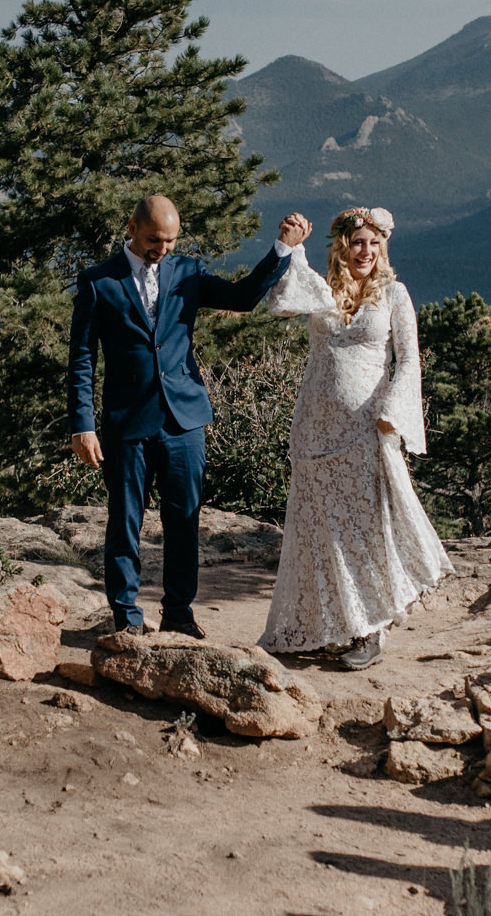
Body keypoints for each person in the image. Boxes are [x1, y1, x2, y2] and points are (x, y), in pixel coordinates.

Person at [67, 194, 304, 637]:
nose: (164, 248)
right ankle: (127, 618)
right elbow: (82, 358)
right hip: (127, 424)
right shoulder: (99, 282)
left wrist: (281, 251)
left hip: (185, 420)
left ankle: (179, 614)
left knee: (184, 521)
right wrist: (83, 424)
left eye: (171, 240)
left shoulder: (189, 272)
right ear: (131, 228)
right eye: (156, 239)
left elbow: (241, 297)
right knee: (124, 524)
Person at [258, 206, 451, 669]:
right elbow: (280, 301)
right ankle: (326, 626)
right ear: (343, 246)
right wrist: (291, 246)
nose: (365, 251)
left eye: (373, 243)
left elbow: (408, 361)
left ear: (382, 247)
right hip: (315, 431)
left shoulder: (394, 295)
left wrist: (393, 412)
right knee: (319, 530)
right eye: (357, 242)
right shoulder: (323, 290)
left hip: (365, 429)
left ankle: (370, 630)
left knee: (365, 532)